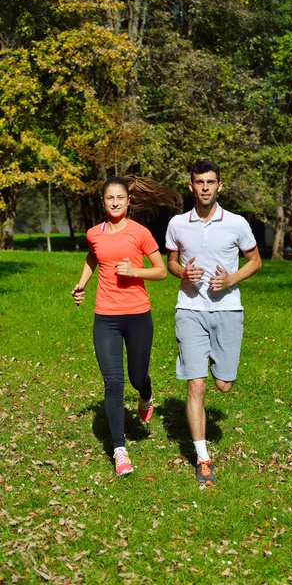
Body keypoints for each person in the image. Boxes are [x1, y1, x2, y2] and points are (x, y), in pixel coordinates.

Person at [72, 175, 181, 476]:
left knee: (136, 377)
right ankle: (120, 451)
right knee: (114, 383)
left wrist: (134, 271)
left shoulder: (140, 233)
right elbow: (93, 257)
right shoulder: (95, 233)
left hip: (137, 316)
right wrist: (81, 284)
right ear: (104, 202)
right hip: (105, 316)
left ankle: (146, 395)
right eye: (110, 198)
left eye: (121, 197)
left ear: (129, 201)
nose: (116, 202)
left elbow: (161, 272)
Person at [165, 160, 262, 486]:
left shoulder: (236, 224)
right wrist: (183, 273)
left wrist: (231, 279)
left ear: (220, 186)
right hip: (189, 310)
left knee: (223, 385)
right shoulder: (178, 224)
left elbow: (256, 261)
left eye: (210, 182)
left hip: (228, 312)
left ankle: (217, 364)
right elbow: (172, 263)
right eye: (199, 182)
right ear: (190, 186)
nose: (205, 187)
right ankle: (203, 459)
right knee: (197, 384)